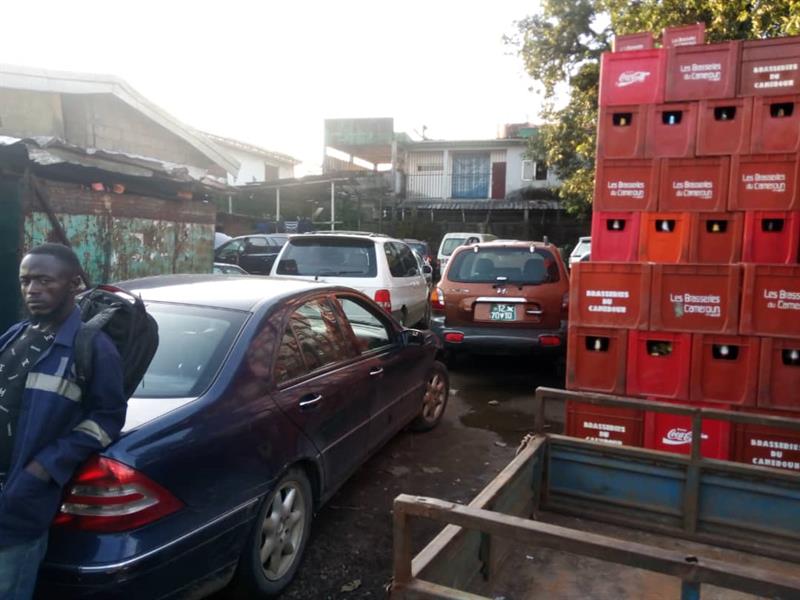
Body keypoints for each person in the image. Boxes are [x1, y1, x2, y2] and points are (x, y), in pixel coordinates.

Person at [0, 243, 126, 599]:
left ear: (74, 284)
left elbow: (108, 419)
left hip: (16, 507)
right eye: (25, 281)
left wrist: (44, 467)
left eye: (44, 280)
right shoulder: (17, 334)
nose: (32, 290)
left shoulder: (92, 348)